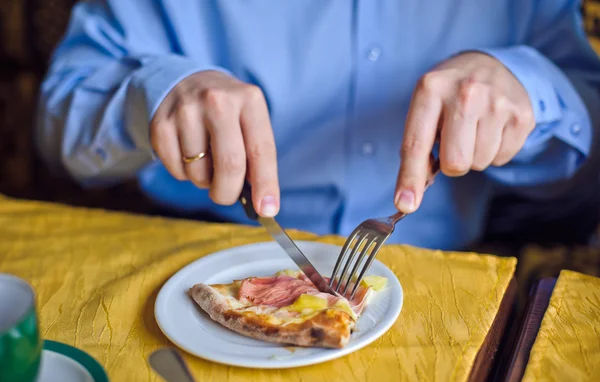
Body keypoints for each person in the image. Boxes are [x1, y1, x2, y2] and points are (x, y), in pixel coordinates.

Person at [36, 0, 600, 250]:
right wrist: (148, 94)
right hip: (196, 253)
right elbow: (55, 130)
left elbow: (590, 169)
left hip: (453, 271)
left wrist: (533, 90)